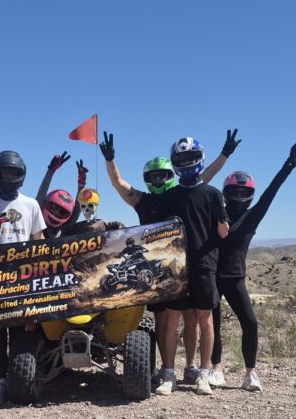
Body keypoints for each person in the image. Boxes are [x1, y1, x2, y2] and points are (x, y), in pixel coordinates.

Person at [102, 130, 239, 385]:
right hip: (158, 267)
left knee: (190, 319)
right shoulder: (146, 200)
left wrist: (224, 155)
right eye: (153, 176)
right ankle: (164, 370)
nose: (158, 179)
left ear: (170, 174)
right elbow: (118, 184)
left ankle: (190, 368)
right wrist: (110, 160)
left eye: (162, 175)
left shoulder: (180, 194)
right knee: (163, 320)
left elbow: (204, 179)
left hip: (187, 264)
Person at [210, 143, 296, 392]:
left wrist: (290, 164)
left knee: (250, 323)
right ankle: (216, 369)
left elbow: (272, 191)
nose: (240, 196)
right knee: (213, 325)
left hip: (236, 278)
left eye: (244, 192)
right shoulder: (215, 213)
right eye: (235, 191)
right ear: (227, 192)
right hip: (214, 278)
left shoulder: (253, 216)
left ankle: (250, 373)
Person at [155, 137, 230, 396]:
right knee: (171, 320)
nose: (186, 163)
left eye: (190, 158)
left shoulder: (212, 194)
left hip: (204, 265)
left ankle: (204, 374)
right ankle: (168, 374)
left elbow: (223, 233)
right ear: (175, 163)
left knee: (204, 320)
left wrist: (223, 217)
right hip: (176, 266)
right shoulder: (171, 195)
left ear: (199, 158)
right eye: (181, 159)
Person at [0, 150, 46, 406]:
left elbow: (39, 241)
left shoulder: (31, 204)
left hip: (24, 275)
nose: (9, 176)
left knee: (24, 328)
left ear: (21, 175)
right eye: (4, 172)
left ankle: (23, 379)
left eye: (13, 172)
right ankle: (0, 382)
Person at [37, 154, 87, 238]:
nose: (56, 213)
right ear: (46, 204)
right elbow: (39, 199)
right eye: (54, 207)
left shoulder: (65, 227)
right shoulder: (36, 218)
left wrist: (81, 183)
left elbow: (77, 210)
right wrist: (51, 170)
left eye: (62, 212)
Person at [61, 188, 125, 235]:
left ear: (96, 205)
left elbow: (120, 227)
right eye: (83, 206)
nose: (87, 209)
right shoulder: (75, 228)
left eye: (90, 205)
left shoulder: (104, 224)